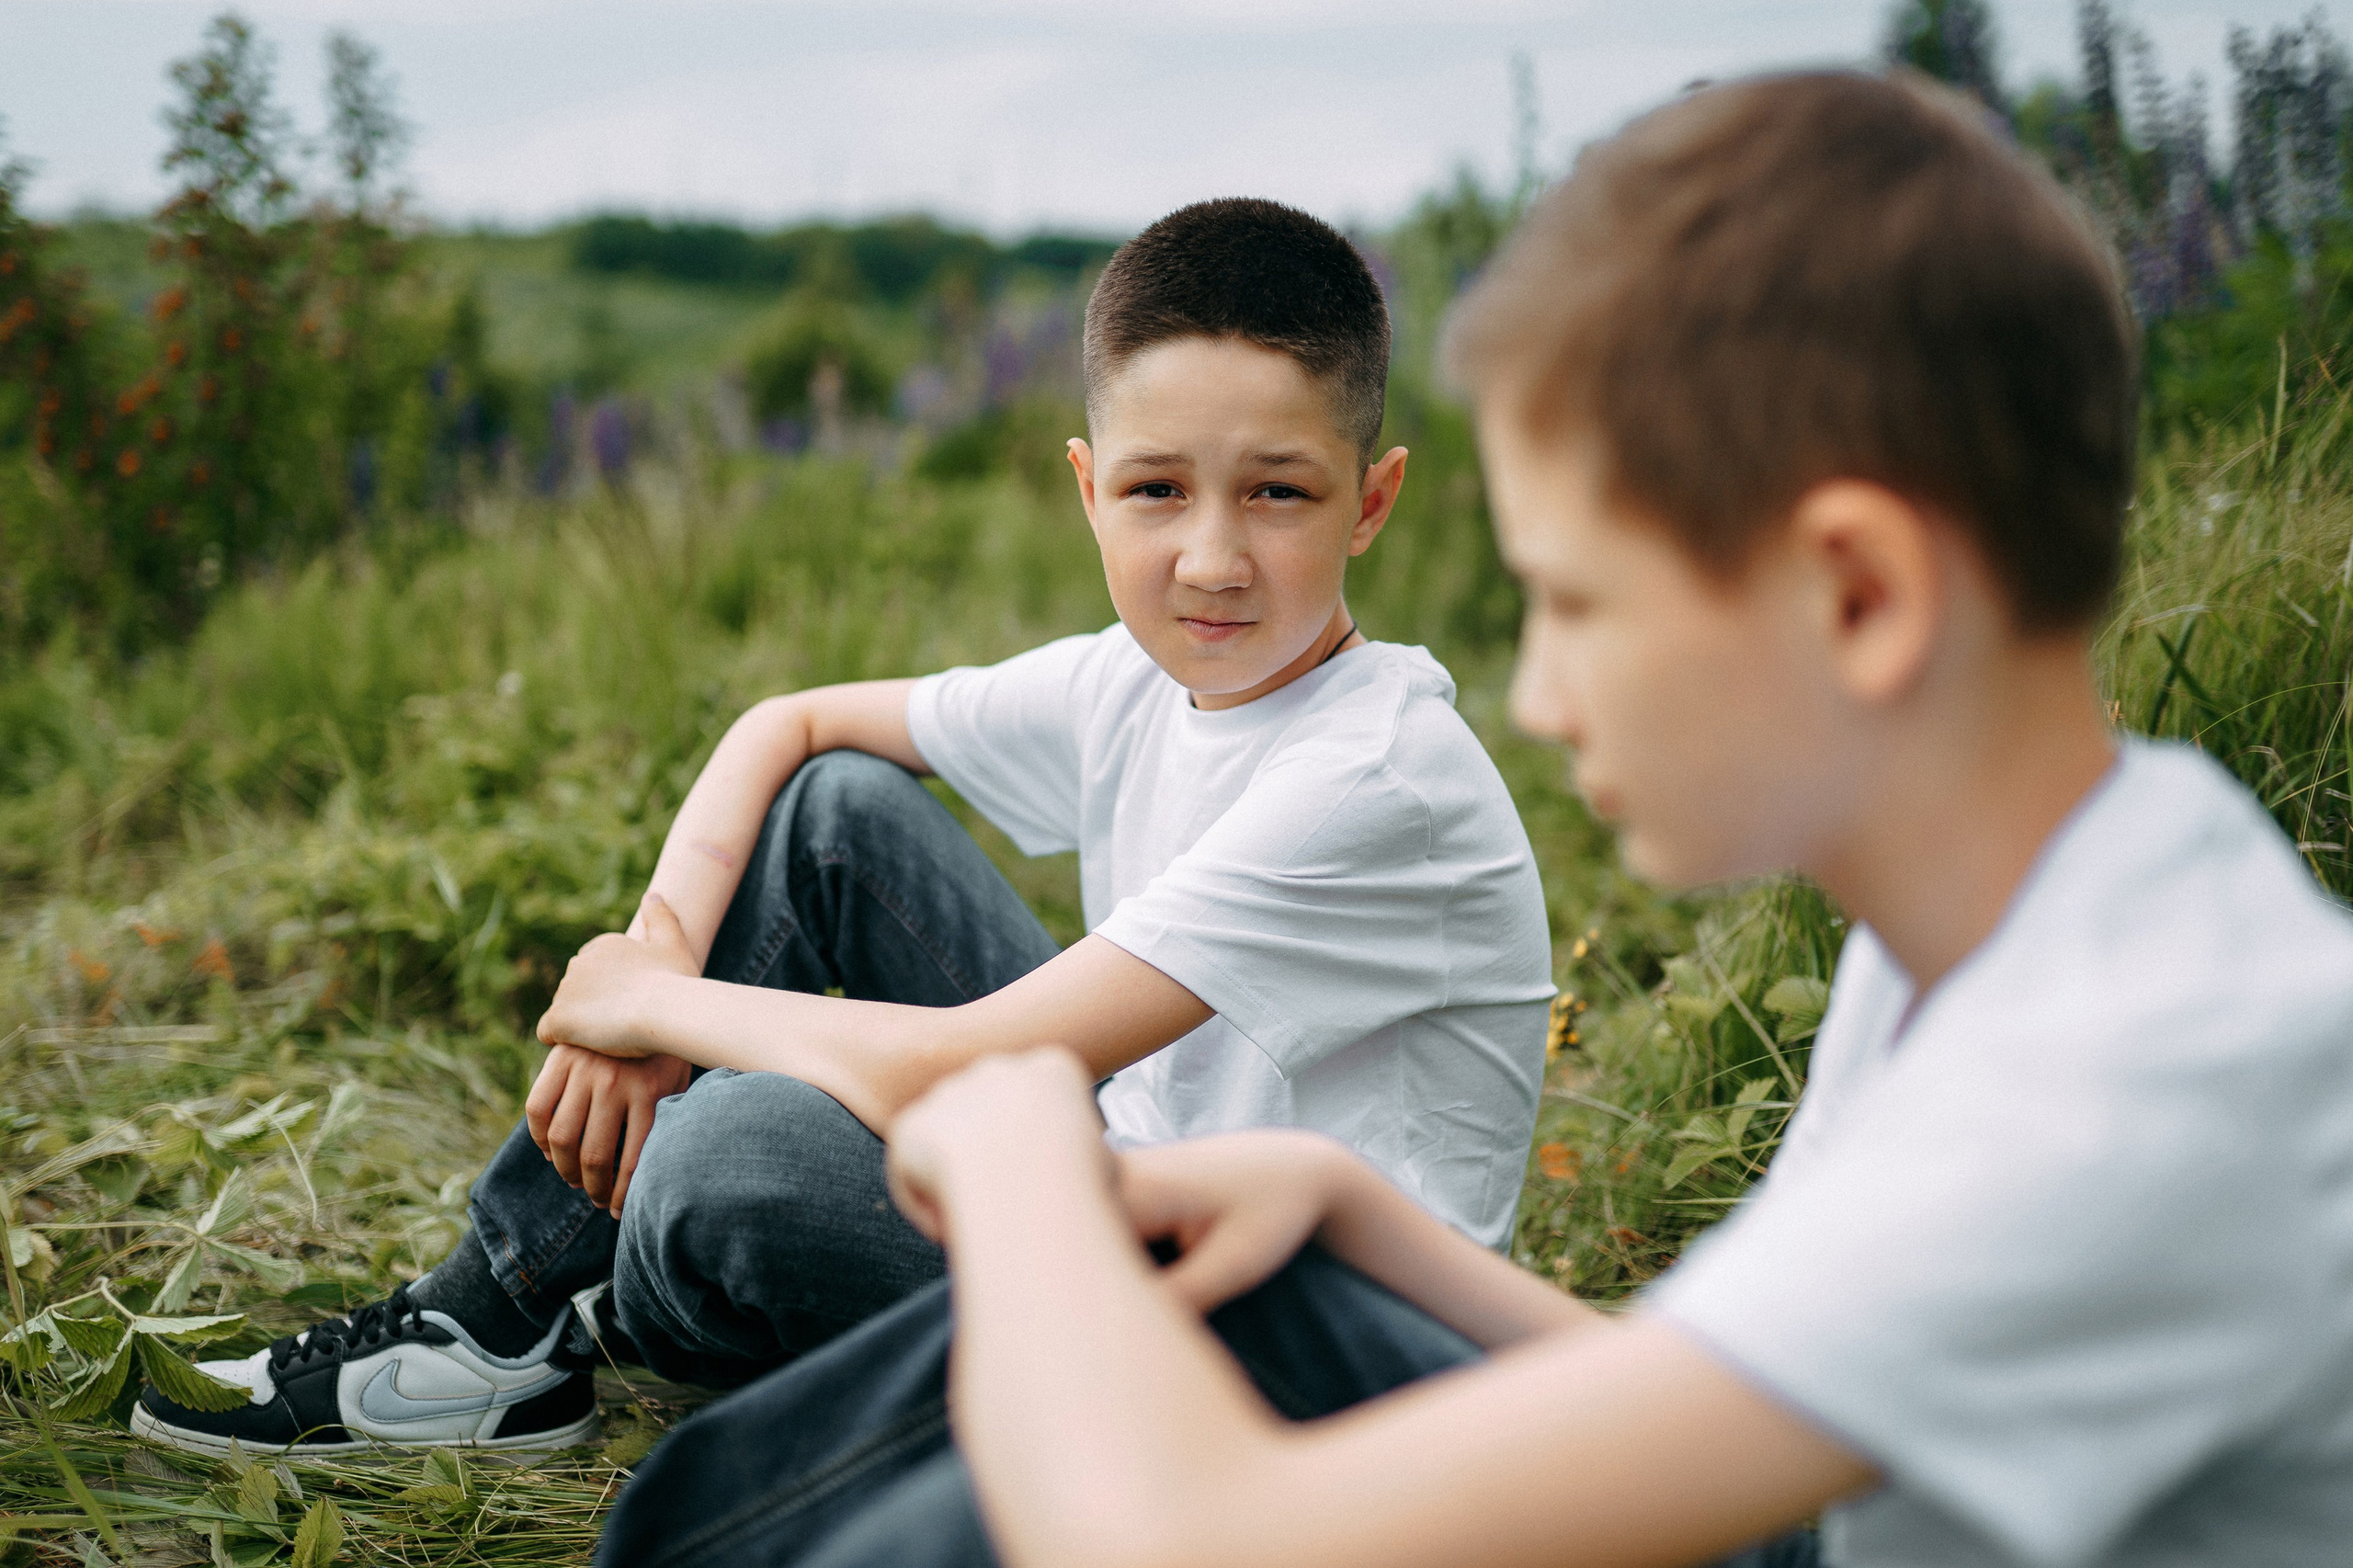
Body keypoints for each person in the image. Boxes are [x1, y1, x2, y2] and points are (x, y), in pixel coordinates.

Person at [592, 69, 2353, 1568]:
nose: (1537, 694)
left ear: (1859, 597)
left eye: (1579, 603)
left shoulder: (2132, 1077)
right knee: (1238, 1287)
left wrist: (1021, 1150)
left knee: (1076, 1397)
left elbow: (1179, 1540)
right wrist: (1336, 1203)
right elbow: (1747, 1398)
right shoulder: (2039, 908)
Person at [129, 199, 1554, 1458]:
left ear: (1371, 502)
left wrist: (665, 1002)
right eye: (1158, 489)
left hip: (1287, 1361)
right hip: (1134, 1187)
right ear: (1087, 485)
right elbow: (791, 725)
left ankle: (608, 1315)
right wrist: (662, 946)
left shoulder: (1374, 777)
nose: (1212, 556)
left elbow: (970, 1060)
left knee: (722, 1161)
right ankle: (490, 1327)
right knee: (832, 814)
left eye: (1280, 493)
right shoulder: (1142, 678)